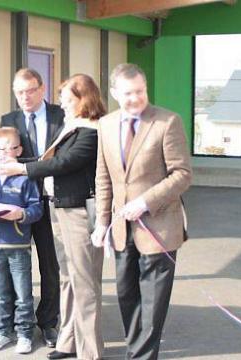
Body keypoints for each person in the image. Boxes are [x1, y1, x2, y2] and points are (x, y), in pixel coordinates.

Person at [0, 74, 106, 360]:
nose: (63, 105)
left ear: (84, 100)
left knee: (85, 283)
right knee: (69, 279)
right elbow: (45, 159)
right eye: (62, 100)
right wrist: (7, 163)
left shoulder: (92, 130)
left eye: (67, 100)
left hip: (79, 212)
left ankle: (90, 351)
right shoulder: (73, 126)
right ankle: (68, 342)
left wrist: (20, 170)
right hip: (62, 210)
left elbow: (63, 163)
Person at [91, 63, 192, 360]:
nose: (135, 98)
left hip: (159, 229)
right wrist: (101, 223)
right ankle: (136, 353)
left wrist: (146, 202)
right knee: (127, 297)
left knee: (152, 305)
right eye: (128, 93)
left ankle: (142, 357)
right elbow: (103, 177)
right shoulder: (106, 125)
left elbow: (182, 174)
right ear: (114, 93)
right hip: (122, 230)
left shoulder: (167, 122)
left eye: (140, 91)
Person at [0, 68, 64, 347]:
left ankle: (48, 322)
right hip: (17, 202)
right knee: (14, 267)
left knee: (50, 266)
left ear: (42, 89)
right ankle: (11, 325)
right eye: (19, 92)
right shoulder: (9, 119)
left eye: (30, 90)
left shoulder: (60, 116)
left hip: (52, 201)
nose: (25, 97)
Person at [0, 127, 43, 355]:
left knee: (23, 295)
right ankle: (2, 332)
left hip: (18, 247)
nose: (2, 154)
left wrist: (20, 214)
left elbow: (37, 208)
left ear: (18, 150)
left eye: (8, 149)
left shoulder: (26, 179)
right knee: (0, 294)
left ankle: (25, 334)